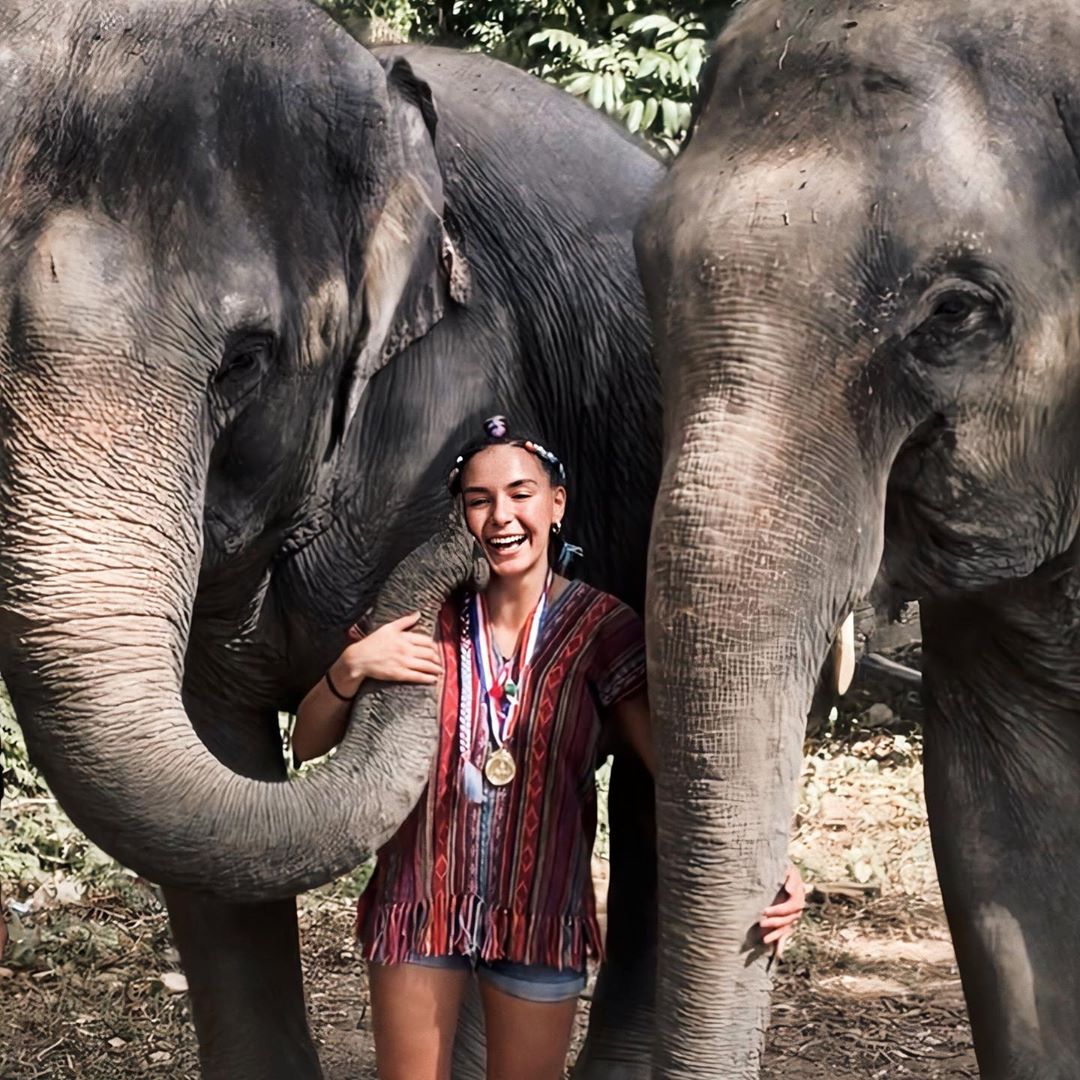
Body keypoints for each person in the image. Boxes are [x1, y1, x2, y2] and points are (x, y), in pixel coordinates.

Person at [293, 417, 805, 1080]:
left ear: (556, 503)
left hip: (540, 913)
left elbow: (676, 773)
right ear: (461, 516)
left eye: (520, 493)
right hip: (419, 904)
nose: (501, 516)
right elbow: (307, 743)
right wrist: (353, 667)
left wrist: (766, 861)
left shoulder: (602, 629)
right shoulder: (422, 616)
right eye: (479, 501)